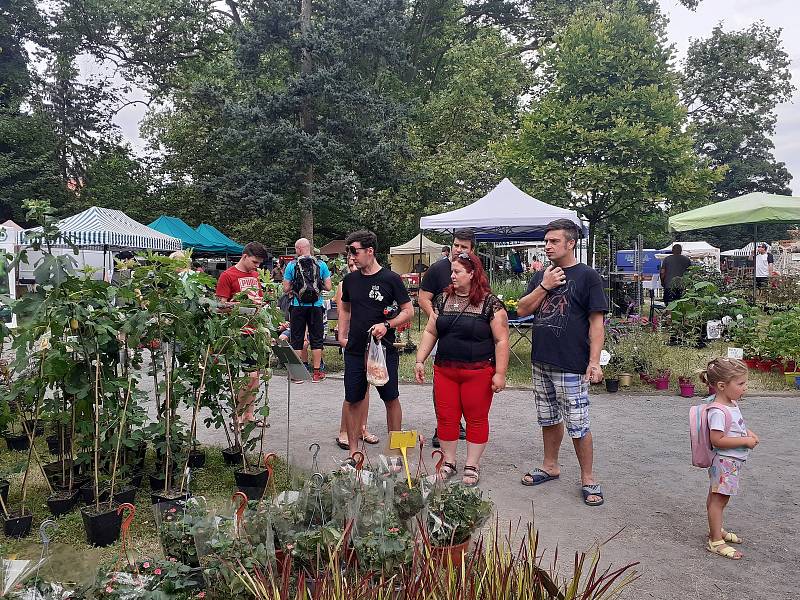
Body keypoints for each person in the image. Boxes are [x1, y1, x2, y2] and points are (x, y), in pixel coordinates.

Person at [517, 219, 607, 506]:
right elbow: (522, 309)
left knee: (578, 423)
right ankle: (550, 465)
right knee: (548, 417)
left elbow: (597, 323)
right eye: (546, 241)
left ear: (571, 243)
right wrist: (544, 285)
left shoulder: (587, 276)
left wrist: (594, 361)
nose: (547, 246)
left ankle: (588, 478)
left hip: (572, 364)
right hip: (541, 360)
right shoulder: (543, 275)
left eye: (554, 241)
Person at [414, 252, 509, 486]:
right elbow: (431, 331)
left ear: (472, 274)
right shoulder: (443, 300)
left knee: (476, 419)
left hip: (478, 372)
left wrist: (500, 373)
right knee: (446, 418)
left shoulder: (490, 303)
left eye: (457, 272)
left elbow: (501, 340)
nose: (452, 276)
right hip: (445, 370)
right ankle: (448, 462)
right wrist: (420, 359)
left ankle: (472, 465)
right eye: (452, 271)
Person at [338, 230, 413, 462]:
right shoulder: (350, 280)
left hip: (383, 350)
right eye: (348, 252)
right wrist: (342, 335)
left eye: (354, 251)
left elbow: (408, 311)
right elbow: (346, 309)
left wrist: (387, 325)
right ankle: (353, 452)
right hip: (355, 350)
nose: (351, 257)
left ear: (370, 251)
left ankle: (396, 452)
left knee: (390, 398)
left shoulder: (391, 279)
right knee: (353, 399)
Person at [419, 229, 476, 447]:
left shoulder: (476, 270)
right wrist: (434, 315)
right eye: (456, 245)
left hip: (469, 336)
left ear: (472, 250)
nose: (458, 250)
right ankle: (441, 427)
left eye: (464, 247)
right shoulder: (438, 269)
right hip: (443, 333)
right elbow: (423, 297)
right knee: (442, 383)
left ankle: (460, 424)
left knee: (467, 382)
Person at [700, 358, 759, 560]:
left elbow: (734, 426)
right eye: (741, 384)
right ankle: (716, 541)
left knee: (717, 498)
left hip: (729, 462)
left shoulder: (730, 403)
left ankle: (716, 529)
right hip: (725, 462)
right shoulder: (718, 410)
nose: (745, 387)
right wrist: (746, 441)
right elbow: (717, 439)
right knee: (719, 500)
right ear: (722, 386)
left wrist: (747, 433)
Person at [215, 241, 269, 427]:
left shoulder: (255, 275)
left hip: (256, 331)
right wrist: (241, 306)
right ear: (244, 256)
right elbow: (220, 306)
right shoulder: (227, 275)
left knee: (256, 377)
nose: (257, 266)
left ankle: (250, 415)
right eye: (255, 262)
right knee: (249, 376)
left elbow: (259, 299)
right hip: (239, 333)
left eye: (259, 264)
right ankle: (237, 416)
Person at [334, 254, 379, 450]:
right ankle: (344, 430)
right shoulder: (346, 284)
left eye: (355, 264)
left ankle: (362, 427)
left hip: (369, 340)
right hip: (352, 340)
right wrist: (343, 337)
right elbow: (344, 311)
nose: (353, 268)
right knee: (352, 390)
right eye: (350, 265)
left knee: (367, 386)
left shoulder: (370, 282)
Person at [283, 238, 332, 383]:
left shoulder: (291, 265)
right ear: (309, 248)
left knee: (297, 338)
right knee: (316, 339)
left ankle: (297, 375)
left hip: (298, 306)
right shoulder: (321, 264)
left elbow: (285, 288)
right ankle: (317, 373)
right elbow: (329, 287)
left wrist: (295, 287)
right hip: (316, 307)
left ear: (298, 249)